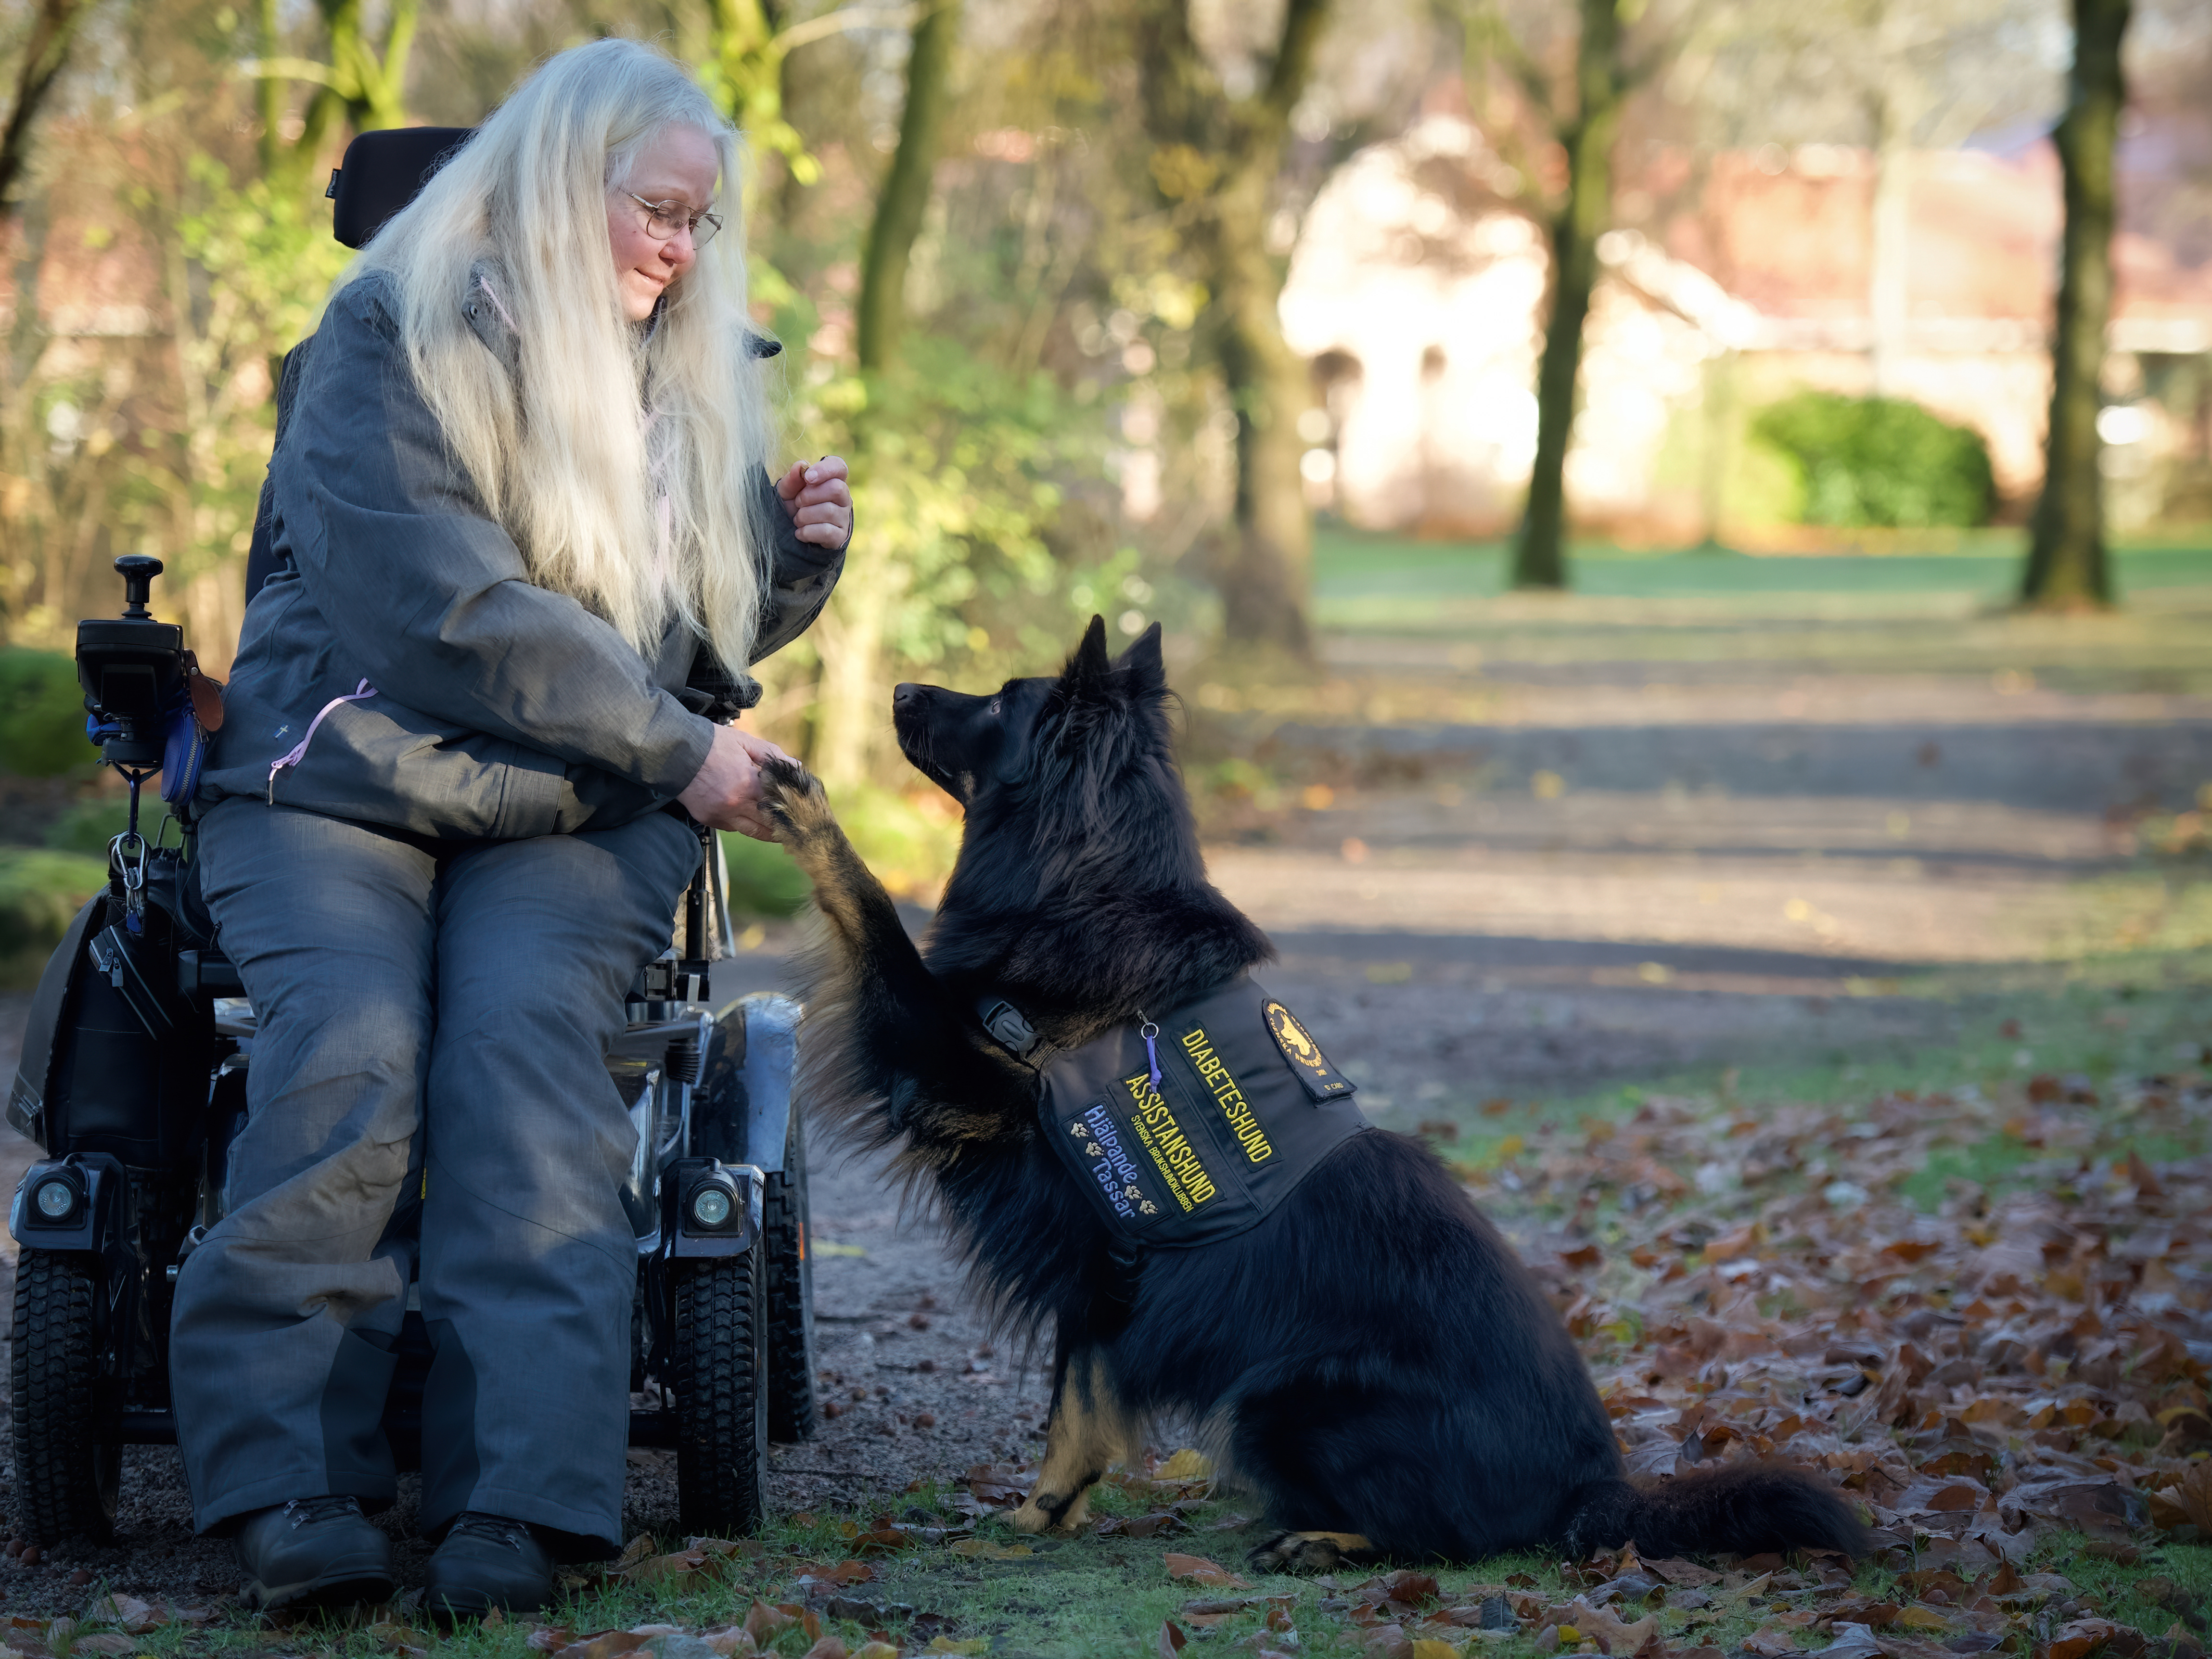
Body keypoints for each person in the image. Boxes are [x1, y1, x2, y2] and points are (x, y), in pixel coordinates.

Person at [171, 38, 851, 1617]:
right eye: (659, 213)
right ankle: (290, 1485)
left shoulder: (682, 368)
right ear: (560, 186)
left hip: (574, 805)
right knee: (347, 1045)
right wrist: (684, 753)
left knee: (523, 1053)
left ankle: (519, 1504)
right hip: (343, 781)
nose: (684, 251)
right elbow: (450, 612)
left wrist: (786, 560)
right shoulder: (382, 335)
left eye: (700, 223)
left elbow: (680, 635)